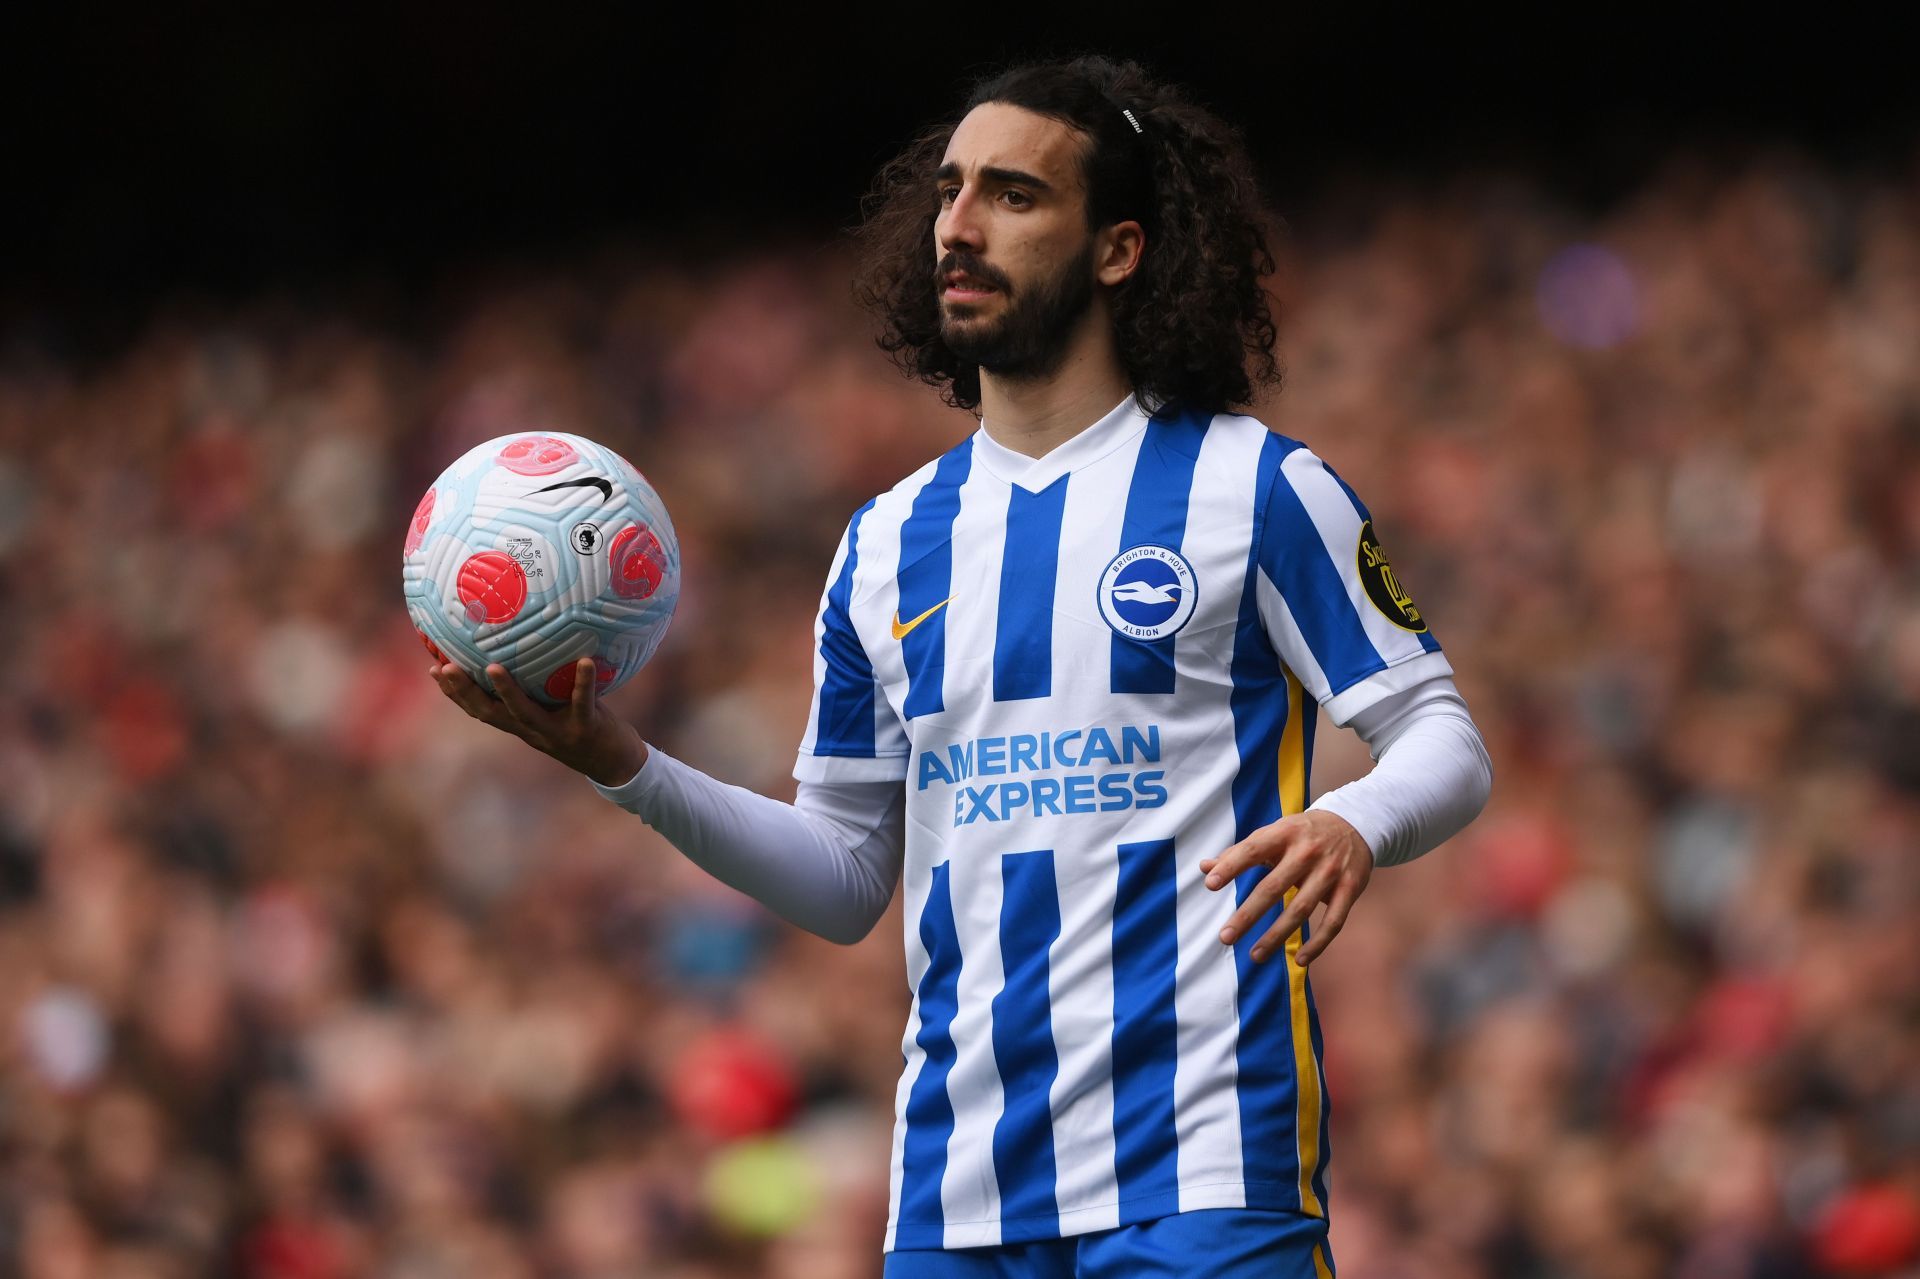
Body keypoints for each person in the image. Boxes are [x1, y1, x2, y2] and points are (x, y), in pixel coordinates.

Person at [430, 54, 1492, 1279]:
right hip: (958, 1196)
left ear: (1120, 248)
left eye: (1014, 195)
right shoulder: (886, 542)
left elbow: (1442, 736)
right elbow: (841, 876)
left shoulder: (1256, 488)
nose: (961, 224)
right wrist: (618, 761)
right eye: (948, 191)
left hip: (1205, 1171)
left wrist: (1357, 819)